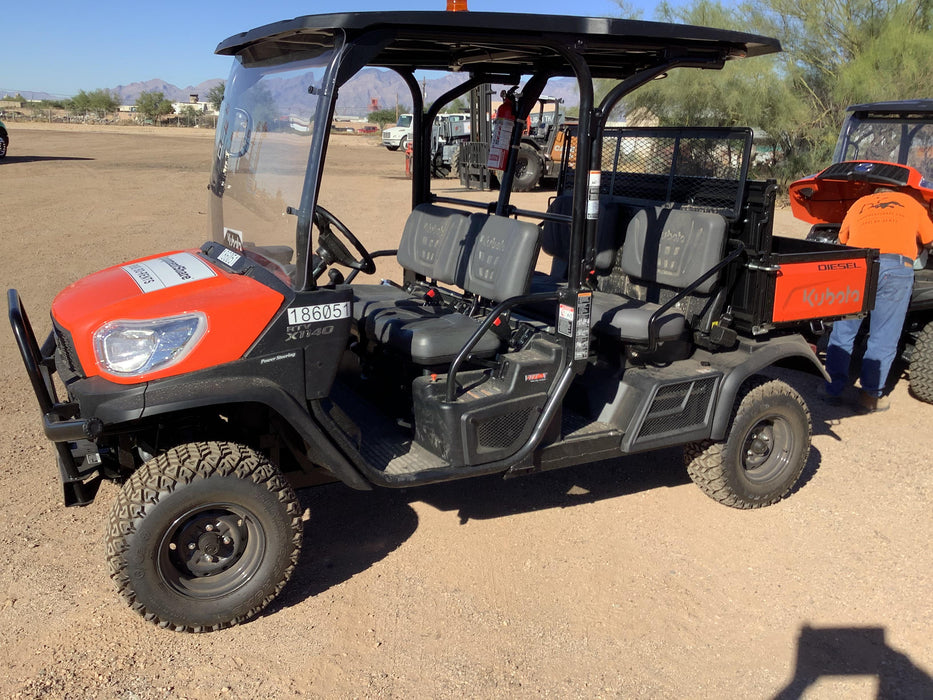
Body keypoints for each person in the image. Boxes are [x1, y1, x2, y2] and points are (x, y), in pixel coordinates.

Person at [822, 186, 933, 412]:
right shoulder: (911, 204)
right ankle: (869, 396)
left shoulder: (860, 203)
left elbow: (842, 239)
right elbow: (930, 240)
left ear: (876, 193)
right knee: (883, 336)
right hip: (895, 268)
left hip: (857, 266)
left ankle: (832, 388)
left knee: (843, 331)